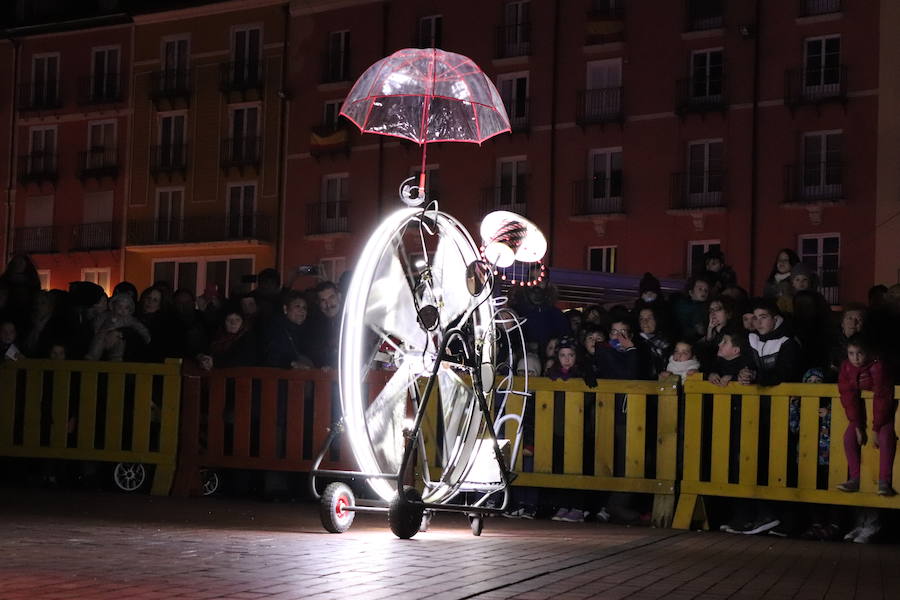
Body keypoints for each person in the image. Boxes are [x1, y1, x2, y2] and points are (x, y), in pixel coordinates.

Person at [836, 335, 897, 496]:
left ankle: (884, 481)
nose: (855, 358)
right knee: (848, 438)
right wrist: (856, 425)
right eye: (851, 353)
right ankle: (855, 478)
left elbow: (882, 397)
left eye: (859, 353)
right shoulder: (846, 368)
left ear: (868, 352)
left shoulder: (878, 366)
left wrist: (876, 428)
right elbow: (848, 396)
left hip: (885, 413)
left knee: (885, 437)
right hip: (862, 414)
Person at [740, 300, 802, 386]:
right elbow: (747, 365)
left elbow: (785, 374)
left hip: (784, 396)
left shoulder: (788, 341)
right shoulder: (752, 339)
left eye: (763, 317)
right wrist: (743, 374)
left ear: (775, 319)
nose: (758, 323)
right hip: (754, 397)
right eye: (755, 318)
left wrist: (756, 376)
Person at [86, 293, 151, 361]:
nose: (122, 310)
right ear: (113, 306)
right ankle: (92, 357)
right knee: (97, 342)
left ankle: (116, 358)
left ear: (130, 309)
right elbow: (98, 321)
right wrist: (96, 330)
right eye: (119, 306)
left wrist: (146, 336)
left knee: (120, 344)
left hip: (118, 338)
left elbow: (139, 327)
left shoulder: (129, 319)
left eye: (126, 308)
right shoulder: (107, 315)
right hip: (102, 335)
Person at [265, 291, 315, 369]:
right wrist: (292, 364)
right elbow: (271, 356)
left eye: (304, 307)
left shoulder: (309, 330)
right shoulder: (275, 328)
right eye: (297, 306)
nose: (301, 311)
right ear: (285, 309)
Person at [636, 307, 671, 379]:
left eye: (649, 318)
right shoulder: (636, 343)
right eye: (641, 319)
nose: (644, 322)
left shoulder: (668, 343)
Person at [672, 276, 710, 343]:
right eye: (700, 289)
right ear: (691, 292)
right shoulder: (682, 304)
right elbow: (700, 330)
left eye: (706, 290)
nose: (703, 292)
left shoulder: (705, 306)